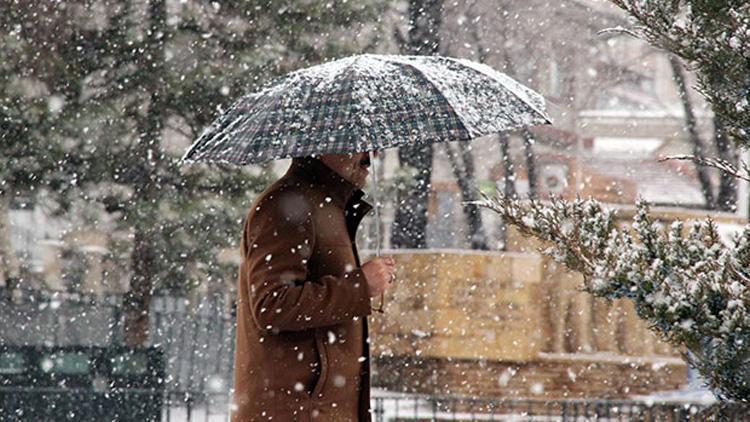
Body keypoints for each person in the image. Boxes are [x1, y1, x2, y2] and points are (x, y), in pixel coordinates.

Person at [231, 152, 396, 422]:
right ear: (325, 145)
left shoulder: (323, 205)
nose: (371, 156)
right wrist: (360, 286)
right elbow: (272, 305)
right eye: (359, 144)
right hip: (297, 413)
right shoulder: (286, 204)